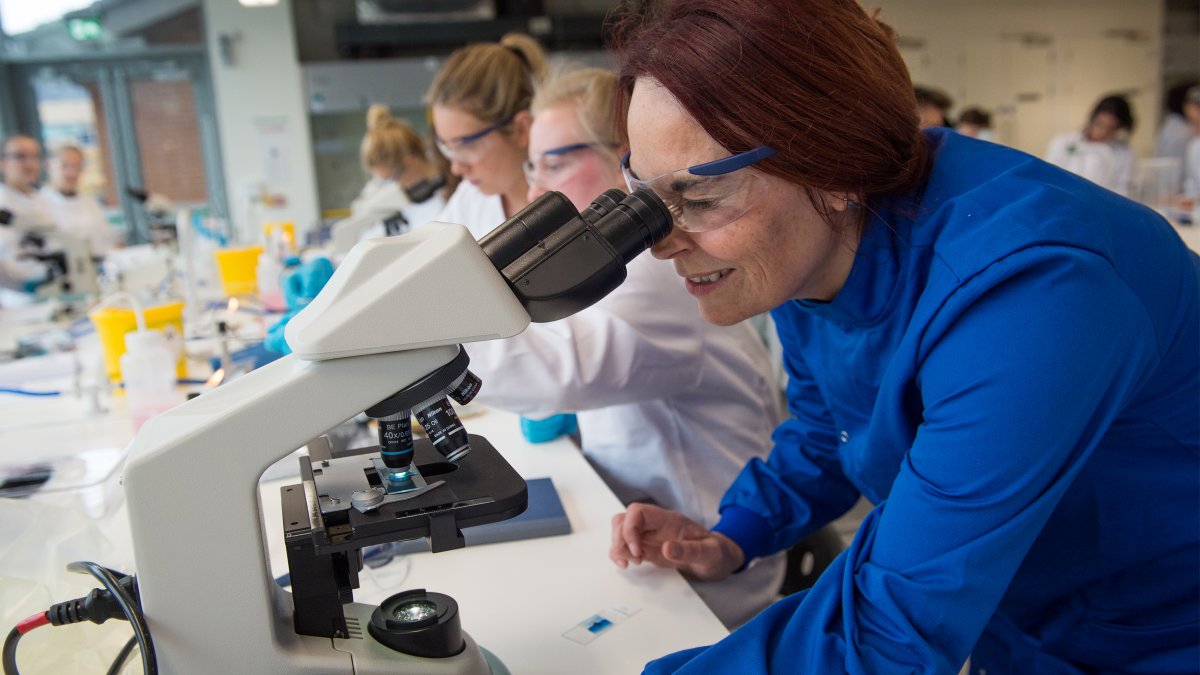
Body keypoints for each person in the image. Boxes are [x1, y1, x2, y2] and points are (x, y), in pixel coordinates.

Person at [605, 0, 1199, 672]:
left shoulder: (1034, 292)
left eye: (701, 197)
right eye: (649, 198)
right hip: (1014, 610)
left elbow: (886, 635)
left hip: (1158, 633)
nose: (664, 244)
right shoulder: (809, 247)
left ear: (832, 166)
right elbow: (831, 427)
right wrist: (734, 534)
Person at [456, 64, 786, 628]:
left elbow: (559, 370)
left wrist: (409, 338)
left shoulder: (662, 268)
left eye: (557, 163)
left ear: (631, 155)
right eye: (533, 166)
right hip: (652, 531)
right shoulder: (622, 267)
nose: (536, 190)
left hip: (712, 563)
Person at [427, 33, 546, 229]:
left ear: (521, 129)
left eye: (467, 145)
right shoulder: (468, 202)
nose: (456, 168)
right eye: (447, 147)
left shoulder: (574, 196)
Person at [355, 104, 448, 234]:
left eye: (393, 178)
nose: (395, 186)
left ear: (410, 160)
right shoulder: (412, 200)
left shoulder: (452, 187)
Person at [1045, 94, 1136, 196]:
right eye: (1100, 124)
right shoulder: (1063, 142)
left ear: (1119, 128)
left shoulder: (1123, 152)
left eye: (1111, 128)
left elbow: (1123, 188)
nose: (1103, 132)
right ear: (1093, 118)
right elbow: (1051, 177)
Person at [0, 135, 52, 302]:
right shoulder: (3, 202)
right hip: (18, 299)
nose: (30, 163)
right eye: (20, 156)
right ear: (3, 162)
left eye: (35, 157)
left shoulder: (41, 199)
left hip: (51, 289)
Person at [40, 144, 119, 255]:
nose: (72, 173)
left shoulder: (90, 202)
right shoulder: (40, 204)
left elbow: (106, 239)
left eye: (77, 167)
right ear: (49, 166)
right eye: (65, 166)